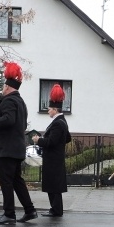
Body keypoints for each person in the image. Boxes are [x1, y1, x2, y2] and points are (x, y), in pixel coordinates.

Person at [0, 61, 38, 225]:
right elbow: (21, 124)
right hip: (16, 147)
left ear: (8, 87)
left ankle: (9, 214)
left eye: (4, 86)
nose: (2, 89)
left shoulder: (9, 101)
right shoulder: (20, 102)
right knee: (17, 180)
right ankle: (30, 210)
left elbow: (8, 120)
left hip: (7, 148)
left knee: (6, 182)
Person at [32, 84, 71, 217]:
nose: (48, 111)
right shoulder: (62, 121)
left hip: (53, 159)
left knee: (54, 186)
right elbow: (67, 138)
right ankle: (55, 209)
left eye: (49, 109)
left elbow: (51, 142)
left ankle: (56, 210)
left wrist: (38, 140)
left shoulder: (58, 123)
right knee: (53, 185)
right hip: (55, 157)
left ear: (55, 109)